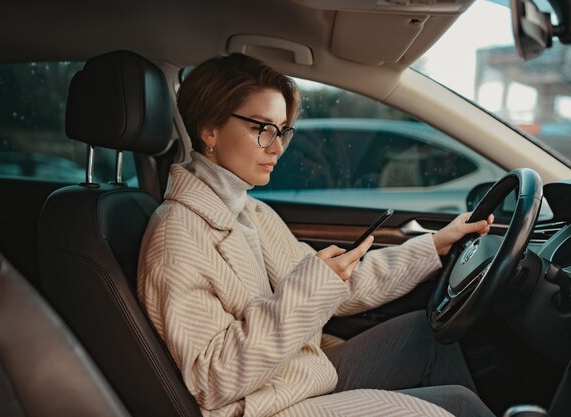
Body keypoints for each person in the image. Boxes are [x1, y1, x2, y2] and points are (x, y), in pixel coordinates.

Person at [137, 53, 496, 417]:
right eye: (261, 128)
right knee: (457, 407)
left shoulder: (250, 211)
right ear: (209, 130)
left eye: (282, 131)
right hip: (265, 406)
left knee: (425, 336)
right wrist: (309, 289)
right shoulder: (176, 236)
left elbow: (332, 287)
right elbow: (213, 381)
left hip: (296, 373)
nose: (277, 147)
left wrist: (434, 245)